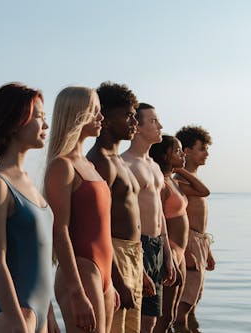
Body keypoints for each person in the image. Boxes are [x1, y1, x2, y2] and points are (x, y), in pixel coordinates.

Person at [0, 83, 59, 333]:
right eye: (39, 118)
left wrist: (50, 316)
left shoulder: (28, 183)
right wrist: (17, 323)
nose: (46, 126)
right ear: (15, 122)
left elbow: (42, 261)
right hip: (11, 319)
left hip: (39, 317)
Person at [45, 86, 118, 333]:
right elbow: (59, 229)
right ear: (77, 114)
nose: (101, 117)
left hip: (103, 274)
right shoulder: (62, 166)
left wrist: (113, 282)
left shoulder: (87, 164)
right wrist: (76, 292)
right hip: (81, 272)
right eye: (94, 111)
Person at [86, 82, 145, 333]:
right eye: (128, 115)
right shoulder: (99, 162)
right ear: (106, 119)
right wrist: (118, 280)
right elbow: (97, 228)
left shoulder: (118, 160)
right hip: (115, 257)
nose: (135, 122)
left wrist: (141, 269)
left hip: (133, 255)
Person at [121, 104, 176, 333]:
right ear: (138, 127)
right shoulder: (125, 164)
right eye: (153, 121)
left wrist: (168, 253)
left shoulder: (154, 166)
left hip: (156, 245)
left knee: (151, 320)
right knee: (133, 319)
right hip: (137, 244)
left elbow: (159, 212)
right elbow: (122, 215)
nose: (160, 126)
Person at [150, 135, 210, 333]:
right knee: (164, 316)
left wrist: (179, 168)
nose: (182, 154)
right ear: (164, 155)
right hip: (172, 251)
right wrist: (175, 254)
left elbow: (203, 190)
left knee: (171, 314)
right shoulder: (161, 184)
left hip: (181, 251)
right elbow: (158, 221)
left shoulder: (174, 182)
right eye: (177, 151)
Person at [174, 125, 214, 331]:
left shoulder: (190, 178)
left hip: (199, 242)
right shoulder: (180, 180)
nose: (207, 153)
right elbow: (176, 219)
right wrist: (188, 252)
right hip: (188, 243)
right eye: (202, 148)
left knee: (194, 302)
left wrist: (208, 251)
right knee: (183, 308)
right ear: (187, 151)